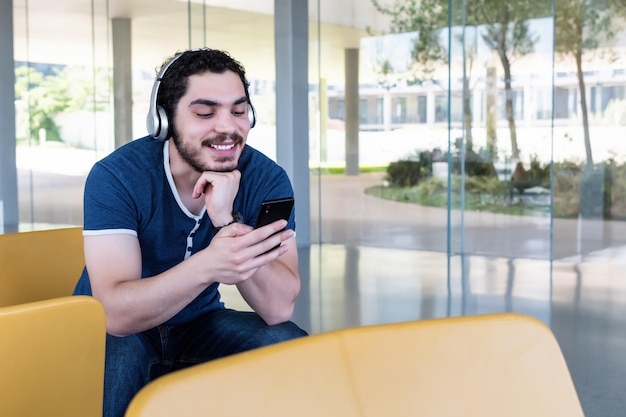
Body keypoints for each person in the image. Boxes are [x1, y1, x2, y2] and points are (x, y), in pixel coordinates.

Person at [73, 48, 308, 417]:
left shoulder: (266, 178)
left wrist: (226, 220)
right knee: (114, 363)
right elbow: (115, 313)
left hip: (198, 324)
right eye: (204, 113)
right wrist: (209, 266)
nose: (228, 127)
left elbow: (278, 306)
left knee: (287, 345)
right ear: (164, 121)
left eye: (239, 110)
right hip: (117, 332)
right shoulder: (117, 176)